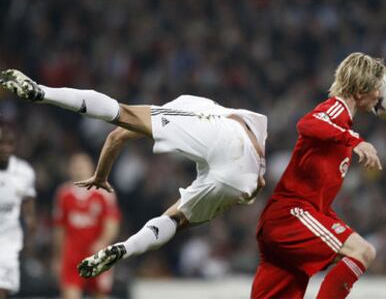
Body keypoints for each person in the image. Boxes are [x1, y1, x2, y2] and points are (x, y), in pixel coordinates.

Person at [0, 69, 267, 279]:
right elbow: (261, 179)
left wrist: (101, 176)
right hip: (246, 179)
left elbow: (118, 133)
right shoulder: (215, 109)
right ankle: (125, 249)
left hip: (224, 140)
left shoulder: (188, 107)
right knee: (175, 219)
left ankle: (41, 92)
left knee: (120, 111)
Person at [251, 52, 386, 299]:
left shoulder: (342, 126)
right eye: (377, 87)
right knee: (362, 251)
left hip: (285, 222)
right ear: (360, 89)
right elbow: (307, 123)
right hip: (291, 216)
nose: (380, 94)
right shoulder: (336, 110)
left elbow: (318, 197)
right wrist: (355, 141)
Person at [52, 152, 121, 299]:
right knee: (69, 293)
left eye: (82, 165)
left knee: (100, 294)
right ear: (69, 169)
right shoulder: (64, 194)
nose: (79, 169)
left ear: (92, 168)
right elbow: (59, 228)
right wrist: (58, 256)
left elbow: (112, 223)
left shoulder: (103, 192)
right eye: (75, 166)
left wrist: (102, 243)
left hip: (97, 252)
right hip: (72, 253)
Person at [0, 121, 36, 298]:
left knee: (3, 288)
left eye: (10, 144)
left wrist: (29, 225)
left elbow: (28, 203)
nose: (6, 148)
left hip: (8, 239)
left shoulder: (24, 171)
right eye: (2, 143)